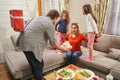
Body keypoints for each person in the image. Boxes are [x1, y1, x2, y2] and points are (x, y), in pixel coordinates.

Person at [18, 9, 69, 80]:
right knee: (39, 65)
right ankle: (39, 78)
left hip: (23, 43)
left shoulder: (38, 17)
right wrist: (65, 49)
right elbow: (54, 44)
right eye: (57, 19)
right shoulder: (49, 23)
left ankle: (37, 77)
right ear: (55, 18)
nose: (56, 21)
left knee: (34, 65)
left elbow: (27, 25)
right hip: (31, 46)